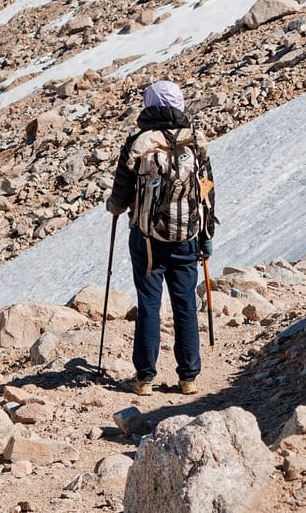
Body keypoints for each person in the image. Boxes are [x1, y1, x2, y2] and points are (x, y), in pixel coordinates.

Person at [106, 79, 216, 396]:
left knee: (149, 305)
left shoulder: (139, 142)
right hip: (187, 236)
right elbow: (207, 189)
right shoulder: (195, 141)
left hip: (147, 240)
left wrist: (113, 207)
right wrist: (206, 235)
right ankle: (189, 378)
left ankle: (144, 379)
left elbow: (121, 194)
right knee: (184, 305)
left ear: (150, 106)